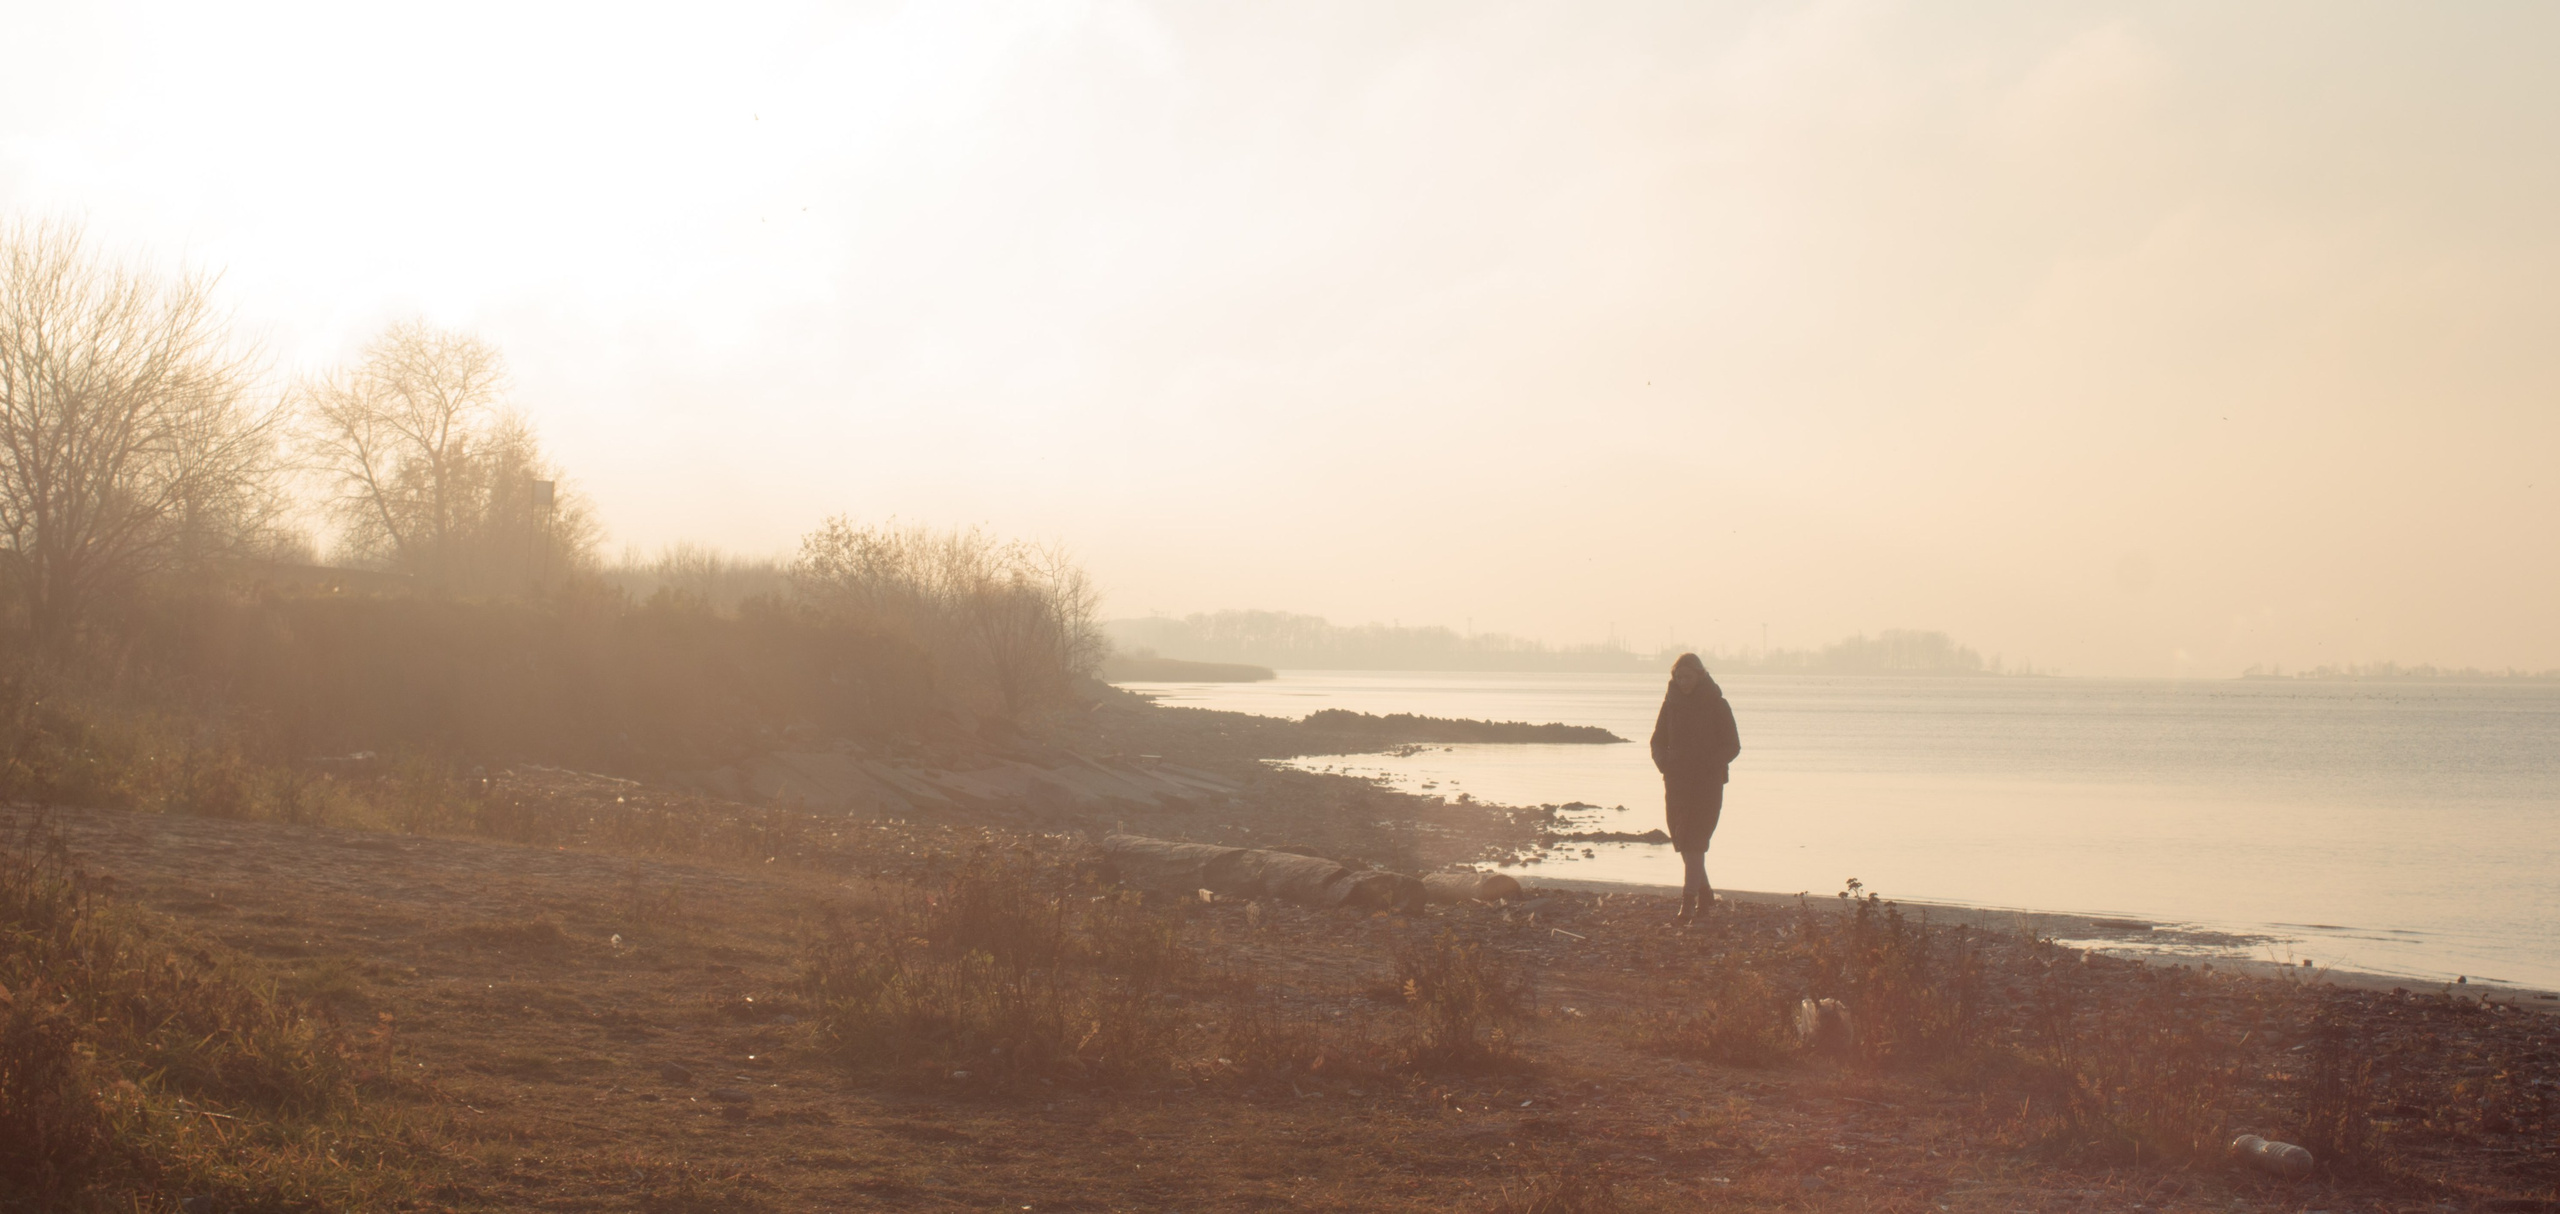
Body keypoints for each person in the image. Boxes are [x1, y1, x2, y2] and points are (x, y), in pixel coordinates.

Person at [1650, 652, 1740, 924]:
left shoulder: (1717, 705)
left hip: (1707, 784)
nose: (1682, 682)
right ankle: (1705, 893)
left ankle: (1689, 902)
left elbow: (1732, 745)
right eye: (1678, 677)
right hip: (1676, 782)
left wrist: (1709, 765)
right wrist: (1665, 763)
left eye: (1687, 677)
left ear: (1700, 676)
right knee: (1683, 840)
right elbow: (1657, 742)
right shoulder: (1670, 705)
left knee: (1697, 840)